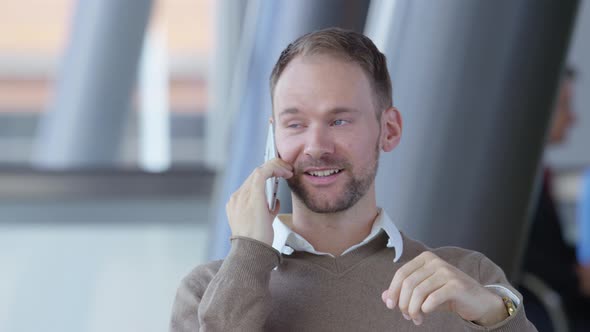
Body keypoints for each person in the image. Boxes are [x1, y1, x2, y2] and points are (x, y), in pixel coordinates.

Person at [170, 28, 536, 331]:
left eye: (339, 120)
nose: (316, 146)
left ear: (388, 130)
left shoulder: (466, 279)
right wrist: (249, 253)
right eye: (295, 124)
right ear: (273, 140)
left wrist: (491, 313)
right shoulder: (208, 291)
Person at [522, 67, 590, 331]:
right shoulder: (515, 184)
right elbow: (526, 258)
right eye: (564, 106)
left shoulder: (535, 175)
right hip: (544, 312)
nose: (572, 118)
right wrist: (576, 277)